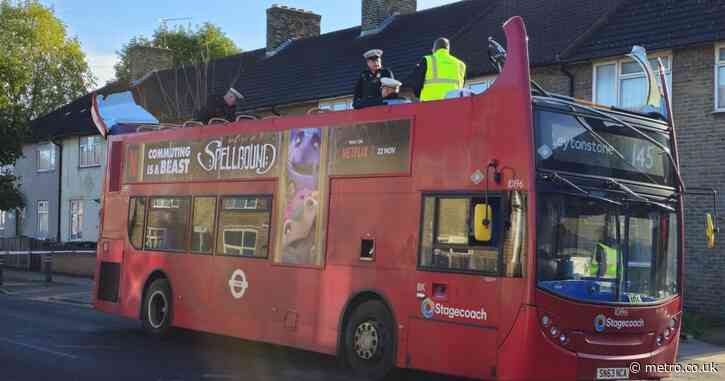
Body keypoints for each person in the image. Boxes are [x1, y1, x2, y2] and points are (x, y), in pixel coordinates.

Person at [412, 37, 466, 102]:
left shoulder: (427, 60)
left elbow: (417, 86)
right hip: (454, 105)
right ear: (448, 49)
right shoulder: (461, 65)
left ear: (434, 49)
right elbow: (461, 87)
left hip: (430, 105)